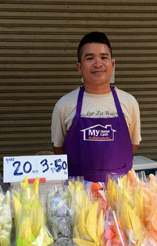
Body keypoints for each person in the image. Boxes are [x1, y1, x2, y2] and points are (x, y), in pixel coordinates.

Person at [51, 31, 141, 183]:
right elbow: (58, 149)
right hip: (78, 192)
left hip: (120, 191)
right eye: (90, 58)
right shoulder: (64, 105)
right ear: (79, 67)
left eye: (104, 57)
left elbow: (133, 144)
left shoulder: (129, 102)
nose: (98, 63)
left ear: (112, 65)